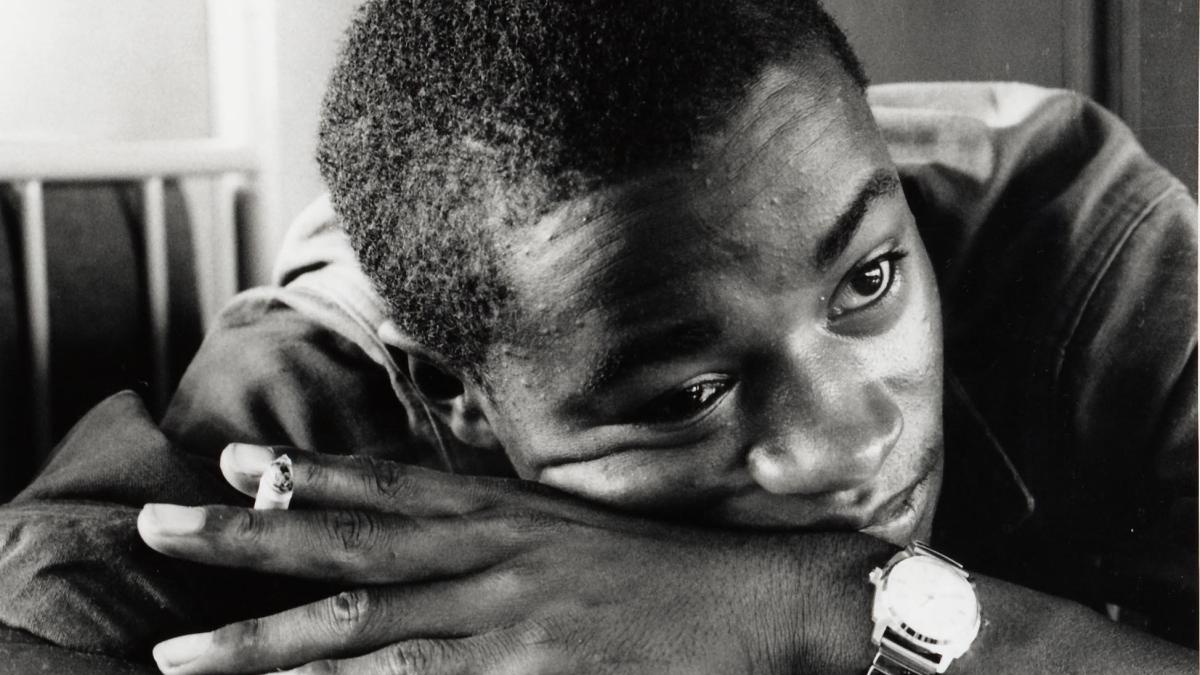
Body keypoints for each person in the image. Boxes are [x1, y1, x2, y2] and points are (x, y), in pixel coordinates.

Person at [0, 0, 1195, 672]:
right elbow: (46, 606)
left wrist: (824, 609)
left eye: (870, 281)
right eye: (687, 395)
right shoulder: (323, 400)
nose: (851, 438)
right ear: (453, 393)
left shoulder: (1080, 239)